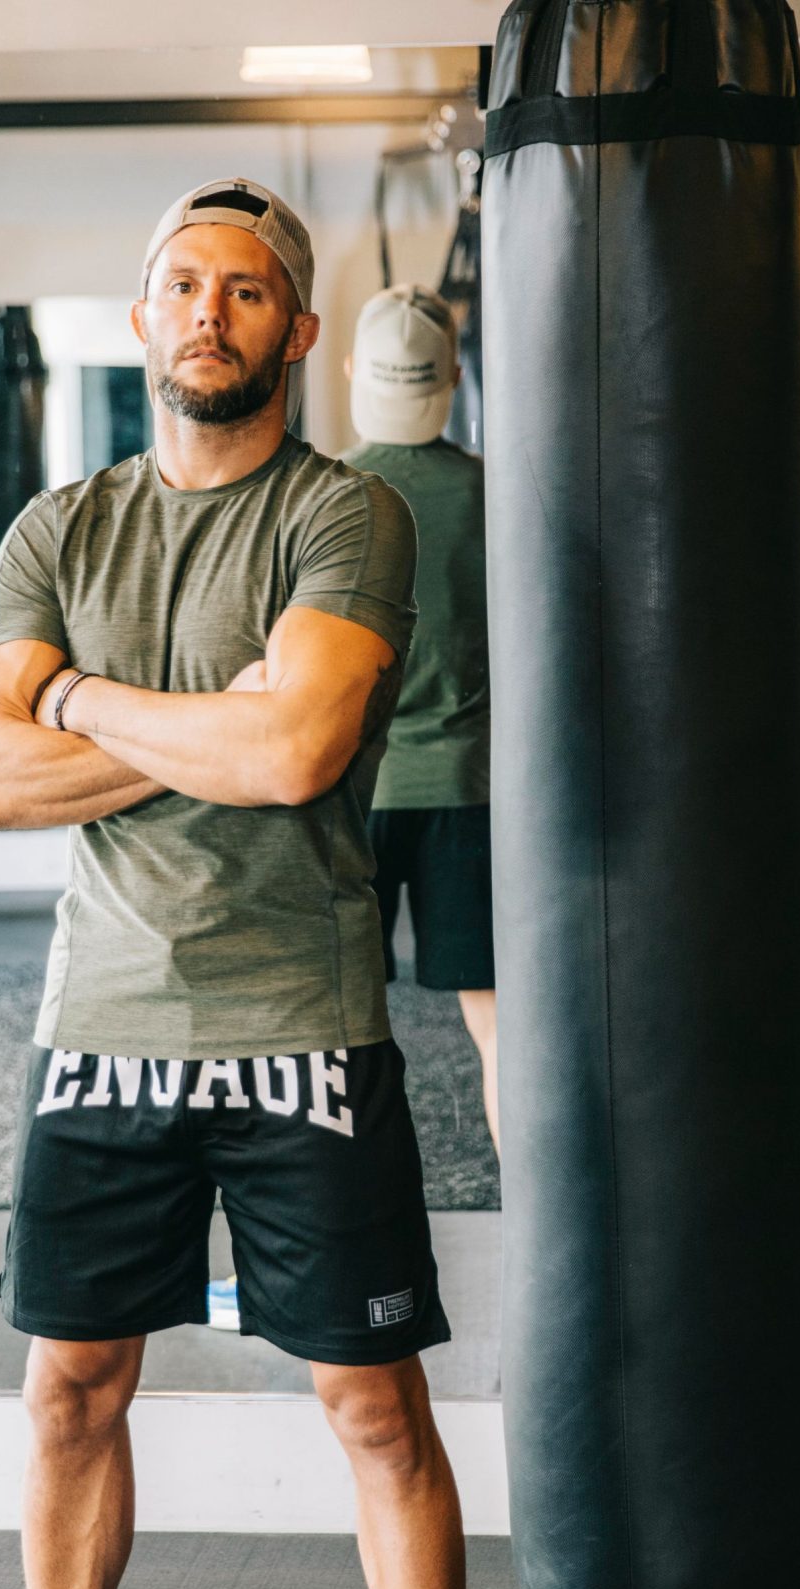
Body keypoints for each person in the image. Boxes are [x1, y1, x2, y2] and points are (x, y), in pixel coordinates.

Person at [0, 178, 503, 1589]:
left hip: (301, 1015)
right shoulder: (59, 528)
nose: (205, 311)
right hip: (101, 1021)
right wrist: (193, 723)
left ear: (295, 330)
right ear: (144, 315)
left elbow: (297, 749)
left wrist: (80, 702)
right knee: (68, 1389)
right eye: (178, 283)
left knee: (369, 1405)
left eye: (241, 289)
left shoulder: (343, 512)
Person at [344, 285, 497, 1155]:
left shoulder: (325, 494)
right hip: (467, 795)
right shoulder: (494, 493)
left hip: (348, 796)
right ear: (453, 378)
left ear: (349, 370)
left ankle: (336, 1223)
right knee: (501, 1029)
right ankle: (536, 1218)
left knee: (331, 1034)